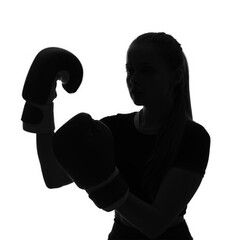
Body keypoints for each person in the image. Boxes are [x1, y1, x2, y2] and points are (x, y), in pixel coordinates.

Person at [30, 32, 210, 239]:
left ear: (176, 76)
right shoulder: (112, 128)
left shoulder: (194, 138)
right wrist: (41, 106)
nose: (134, 79)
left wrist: (103, 183)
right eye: (130, 70)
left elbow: (155, 224)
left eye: (147, 71)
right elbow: (53, 176)